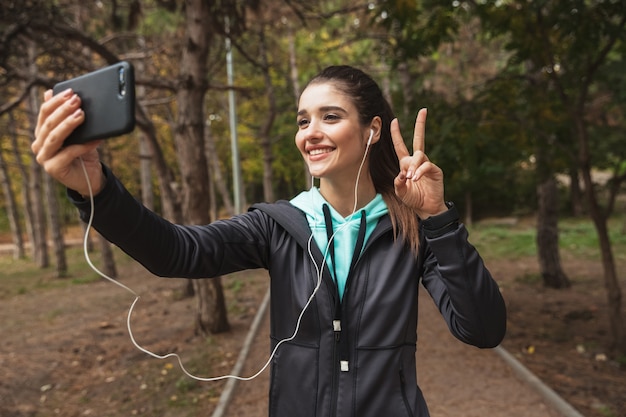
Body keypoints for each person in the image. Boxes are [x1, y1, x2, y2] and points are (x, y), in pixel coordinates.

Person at [32, 65, 506, 417]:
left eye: (330, 116)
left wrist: (438, 218)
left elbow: (482, 330)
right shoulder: (279, 224)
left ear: (372, 130)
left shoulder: (411, 226)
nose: (311, 133)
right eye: (303, 121)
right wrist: (95, 190)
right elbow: (176, 251)